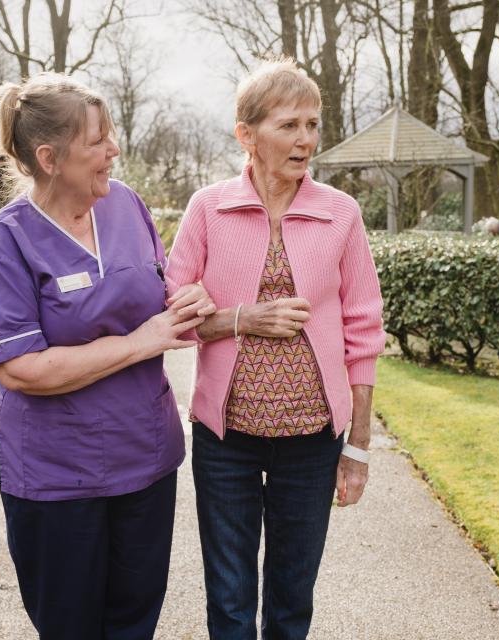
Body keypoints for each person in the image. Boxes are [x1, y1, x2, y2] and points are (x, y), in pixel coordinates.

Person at [0, 73, 214, 640]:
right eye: (98, 140)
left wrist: (187, 298)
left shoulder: (126, 205)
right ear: (50, 157)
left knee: (135, 619)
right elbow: (21, 368)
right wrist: (140, 342)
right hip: (56, 479)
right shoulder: (2, 242)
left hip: (144, 462)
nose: (114, 150)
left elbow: (158, 290)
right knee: (71, 625)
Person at [166, 58, 386, 639]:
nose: (306, 140)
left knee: (292, 599)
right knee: (230, 600)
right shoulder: (208, 208)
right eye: (289, 125)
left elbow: (364, 332)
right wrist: (241, 319)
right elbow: (172, 318)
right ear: (247, 134)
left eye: (312, 124)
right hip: (226, 441)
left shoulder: (341, 213)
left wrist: (357, 446)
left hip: (313, 441)